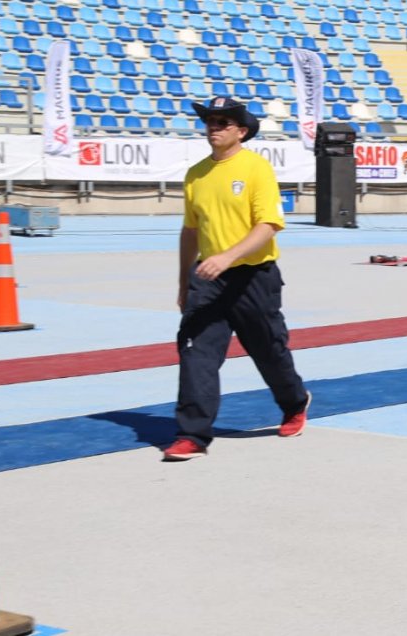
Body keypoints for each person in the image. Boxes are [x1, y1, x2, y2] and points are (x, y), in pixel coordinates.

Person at [162, 97, 311, 461]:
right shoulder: (196, 174)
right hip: (207, 280)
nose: (214, 127)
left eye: (223, 122)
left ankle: (294, 402)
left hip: (253, 277)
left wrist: (228, 256)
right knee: (196, 351)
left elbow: (269, 225)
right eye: (211, 121)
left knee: (268, 349)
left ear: (241, 131)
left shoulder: (256, 169)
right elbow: (190, 231)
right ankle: (193, 434)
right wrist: (184, 282)